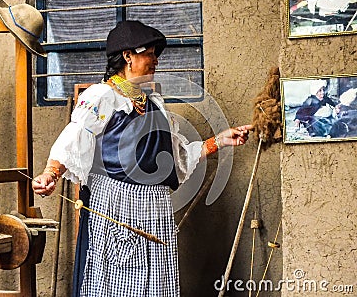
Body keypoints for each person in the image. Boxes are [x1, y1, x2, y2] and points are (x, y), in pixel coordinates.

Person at [32, 20, 252, 297]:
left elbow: (176, 155)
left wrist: (219, 141)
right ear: (128, 56)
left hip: (154, 207)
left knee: (155, 284)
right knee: (113, 283)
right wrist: (50, 173)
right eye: (149, 53)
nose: (155, 60)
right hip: (113, 205)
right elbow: (76, 137)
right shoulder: (101, 96)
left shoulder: (154, 103)